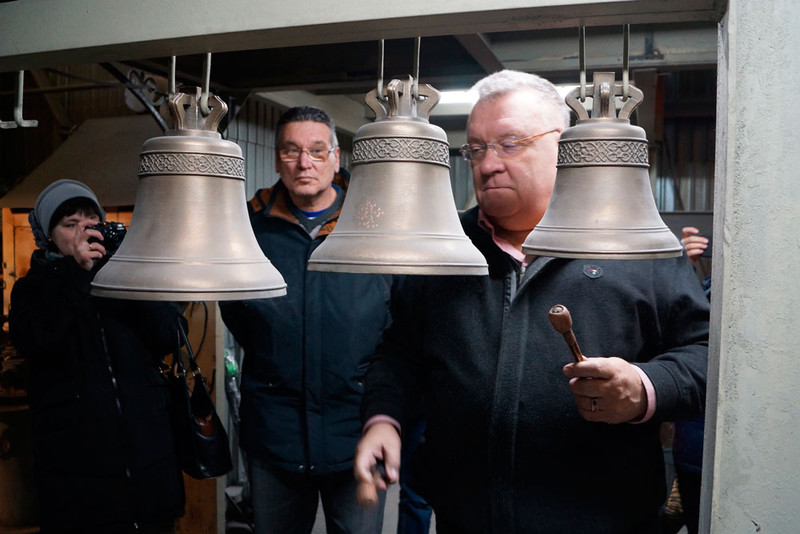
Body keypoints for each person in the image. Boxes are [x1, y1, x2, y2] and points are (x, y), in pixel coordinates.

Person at [353, 70, 710, 534]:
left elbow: (704, 354)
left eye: (510, 144)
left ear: (564, 148)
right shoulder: (442, 246)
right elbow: (399, 352)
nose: (487, 164)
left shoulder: (636, 245)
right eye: (476, 148)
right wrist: (384, 419)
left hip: (604, 518)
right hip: (465, 518)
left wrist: (645, 386)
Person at [219, 106, 394, 534]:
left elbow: (396, 322)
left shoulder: (376, 226)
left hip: (356, 433)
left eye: (317, 151)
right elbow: (237, 312)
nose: (304, 163)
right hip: (275, 438)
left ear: (336, 157)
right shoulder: (249, 229)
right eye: (292, 151)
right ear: (278, 158)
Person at [9, 179, 186, 534]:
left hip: (149, 468)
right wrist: (77, 275)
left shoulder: (126, 273)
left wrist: (132, 269)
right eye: (69, 224)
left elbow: (169, 335)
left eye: (90, 222)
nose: (82, 232)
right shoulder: (31, 290)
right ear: (47, 236)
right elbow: (37, 341)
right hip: (78, 481)